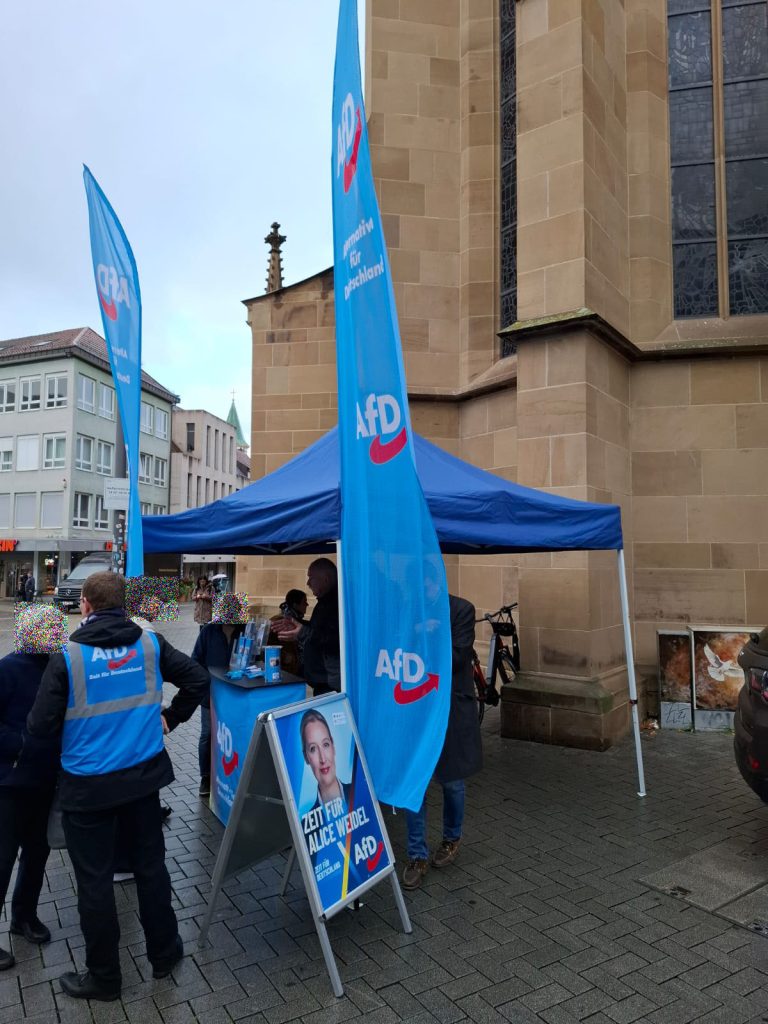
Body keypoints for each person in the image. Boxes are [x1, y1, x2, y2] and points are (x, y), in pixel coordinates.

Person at [26, 571, 209, 1002]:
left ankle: (105, 977)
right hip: (142, 783)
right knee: (151, 869)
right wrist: (171, 717)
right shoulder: (150, 645)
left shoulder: (68, 657)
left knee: (95, 883)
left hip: (88, 789)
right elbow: (198, 680)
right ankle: (164, 954)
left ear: (85, 605)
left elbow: (38, 727)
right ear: (124, 604)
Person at [0, 604, 68, 971]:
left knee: (37, 853)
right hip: (9, 784)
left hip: (45, 780)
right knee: (2, 858)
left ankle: (24, 916)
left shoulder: (58, 666)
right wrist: (23, 745)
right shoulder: (8, 668)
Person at [401, 594, 482, 890]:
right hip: (415, 705)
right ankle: (416, 854)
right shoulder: (409, 606)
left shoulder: (460, 609)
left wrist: (427, 634)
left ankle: (451, 838)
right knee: (415, 782)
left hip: (449, 707)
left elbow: (456, 658)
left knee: (452, 781)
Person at [192, 591, 246, 798]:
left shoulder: (245, 631)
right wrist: (204, 682)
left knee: (232, 734)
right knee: (207, 734)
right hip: (211, 694)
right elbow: (195, 660)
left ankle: (230, 775)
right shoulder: (208, 631)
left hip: (235, 694)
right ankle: (205, 777)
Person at [277, 559, 340, 695]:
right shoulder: (325, 602)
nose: (308, 583)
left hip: (330, 682)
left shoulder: (337, 603)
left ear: (325, 579)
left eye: (311, 577)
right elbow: (318, 630)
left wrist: (302, 631)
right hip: (323, 681)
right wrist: (299, 625)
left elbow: (334, 637)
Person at [269, 589, 308, 675]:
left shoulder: (298, 621)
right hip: (285, 670)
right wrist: (286, 657)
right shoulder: (282, 621)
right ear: (295, 604)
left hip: (292, 668)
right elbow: (268, 645)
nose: (307, 604)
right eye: (304, 602)